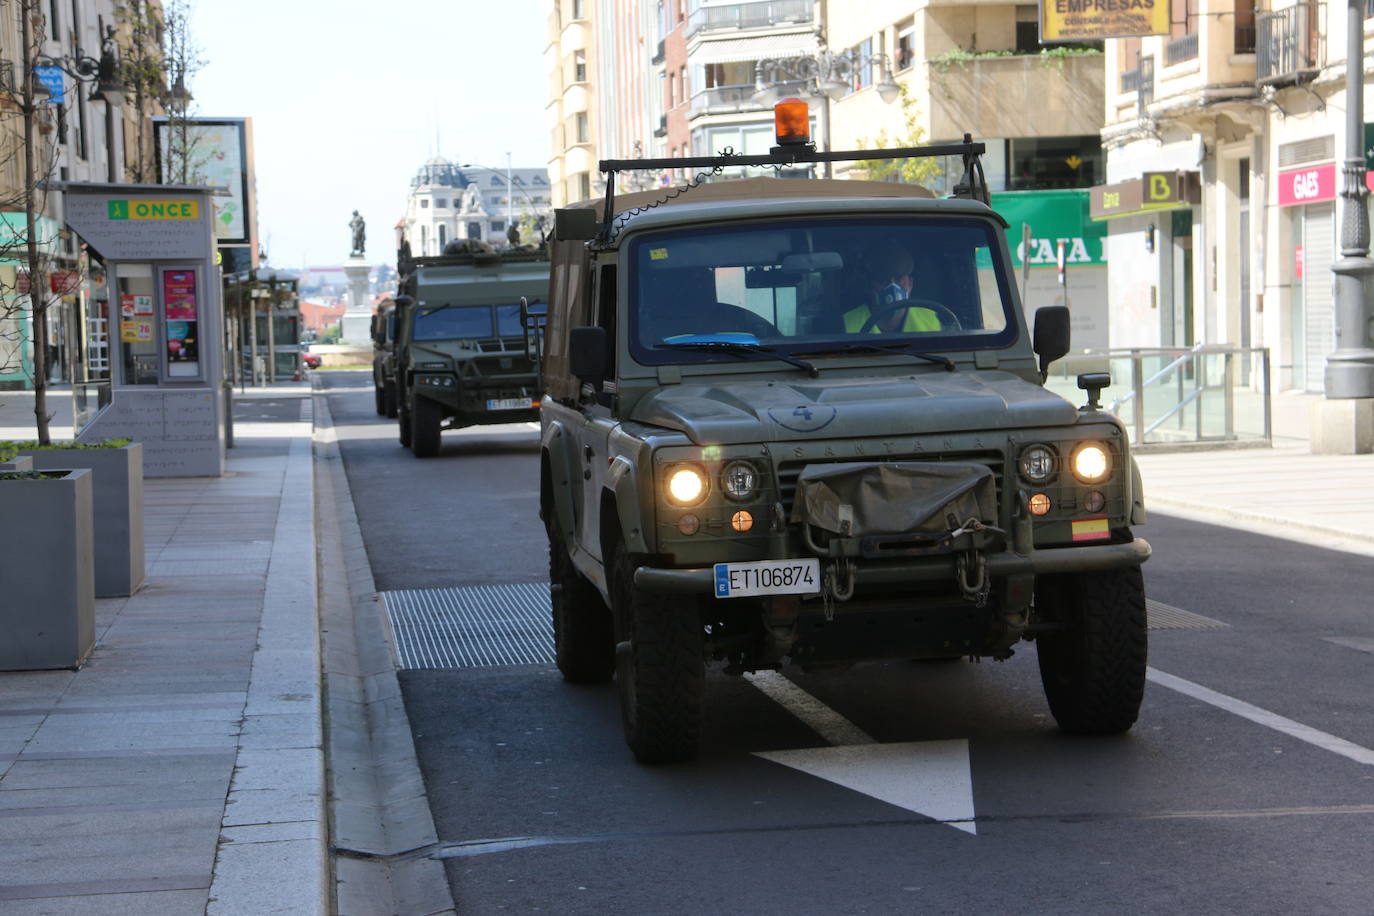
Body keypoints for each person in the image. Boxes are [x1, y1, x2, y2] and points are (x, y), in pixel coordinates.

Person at [842, 242, 941, 334]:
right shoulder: (846, 324)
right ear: (868, 286)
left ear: (910, 283)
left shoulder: (934, 319)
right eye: (883, 280)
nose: (892, 286)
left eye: (899, 279)